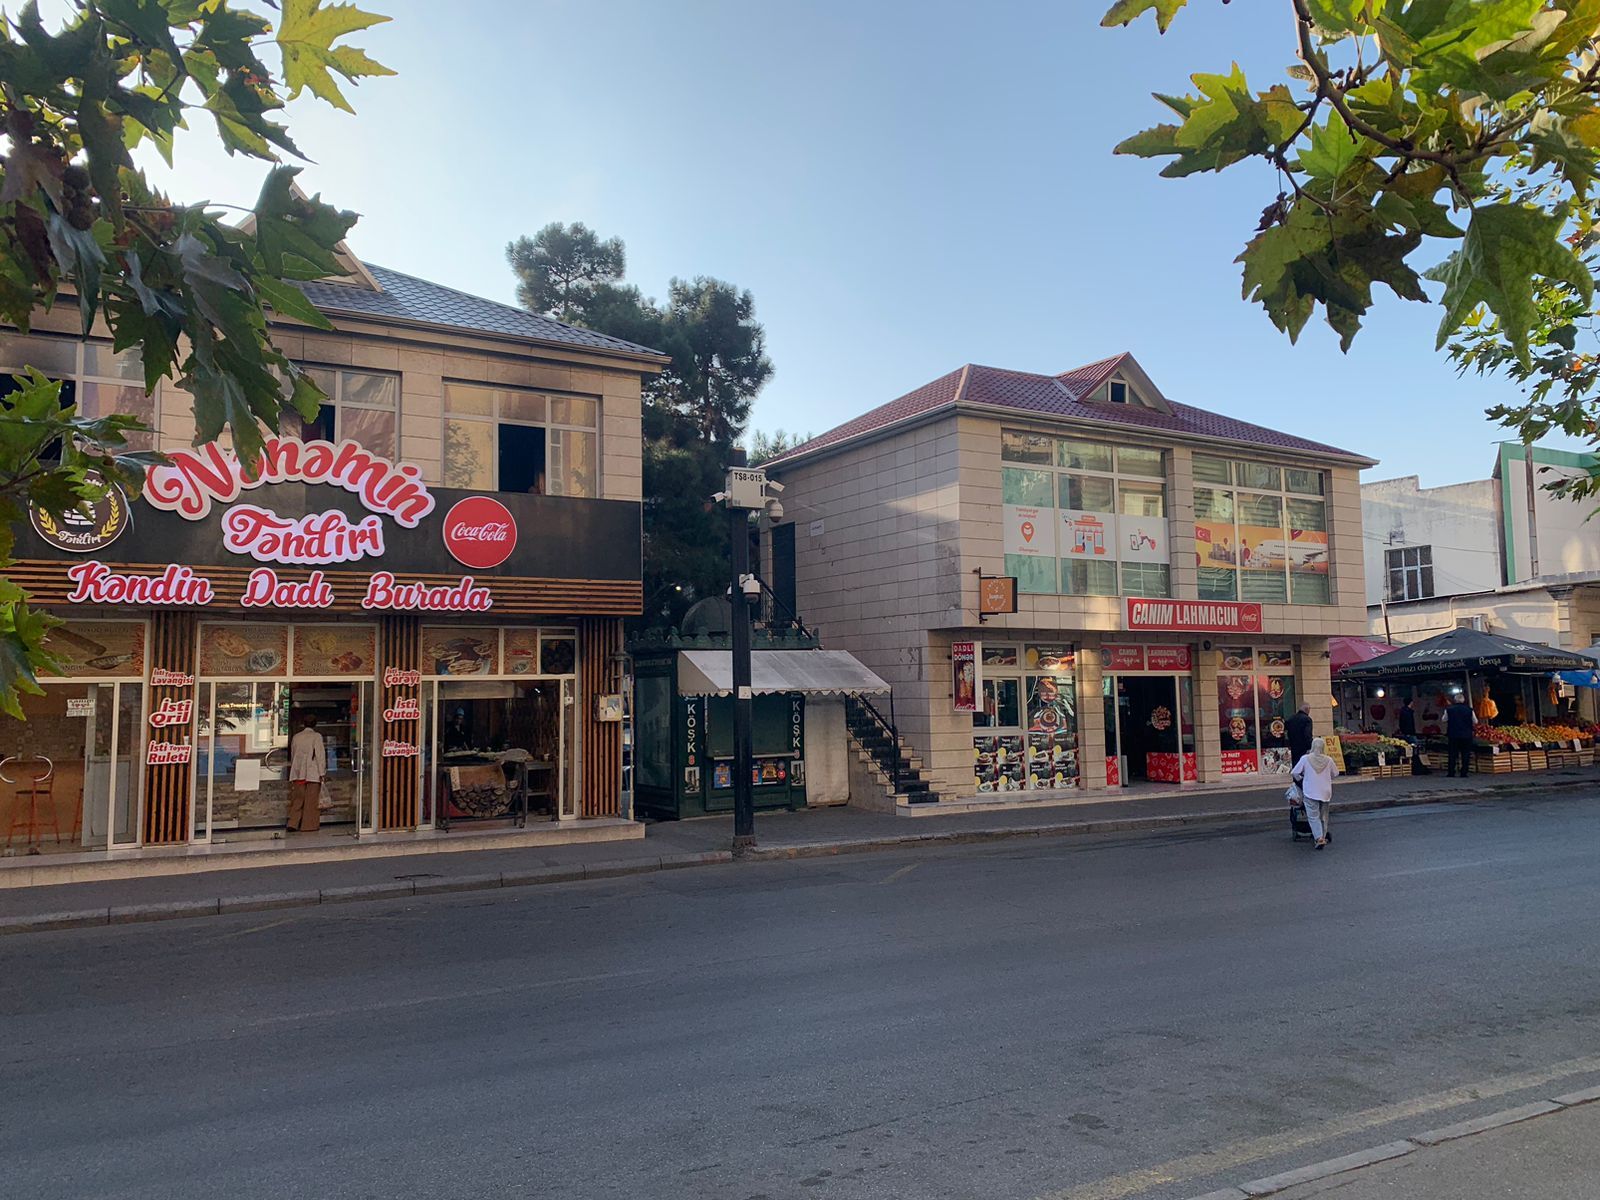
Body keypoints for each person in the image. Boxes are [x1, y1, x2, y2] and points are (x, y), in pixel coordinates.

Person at [1292, 736, 1338, 849]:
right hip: (1325, 792)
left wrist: (1301, 780)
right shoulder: (1329, 760)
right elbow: (1335, 773)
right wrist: (1327, 777)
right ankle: (1323, 834)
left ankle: (1319, 838)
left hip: (1310, 791)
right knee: (1323, 815)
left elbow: (1295, 773)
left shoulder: (1305, 758)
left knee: (1313, 816)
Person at [286, 714, 326, 833]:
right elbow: (320, 755)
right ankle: (308, 825)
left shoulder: (296, 737)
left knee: (297, 799)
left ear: (304, 724)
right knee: (311, 802)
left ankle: (293, 823)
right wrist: (322, 772)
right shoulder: (316, 736)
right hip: (312, 773)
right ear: (315, 724)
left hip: (298, 772)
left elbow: (293, 754)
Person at [1444, 694, 1476, 777]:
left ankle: (1451, 772)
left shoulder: (1449, 709)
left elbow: (1444, 719)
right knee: (1465, 754)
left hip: (1453, 734)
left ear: (1455, 700)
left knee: (1452, 754)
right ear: (1463, 700)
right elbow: (1475, 721)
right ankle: (1464, 772)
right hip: (1466, 735)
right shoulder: (1469, 710)